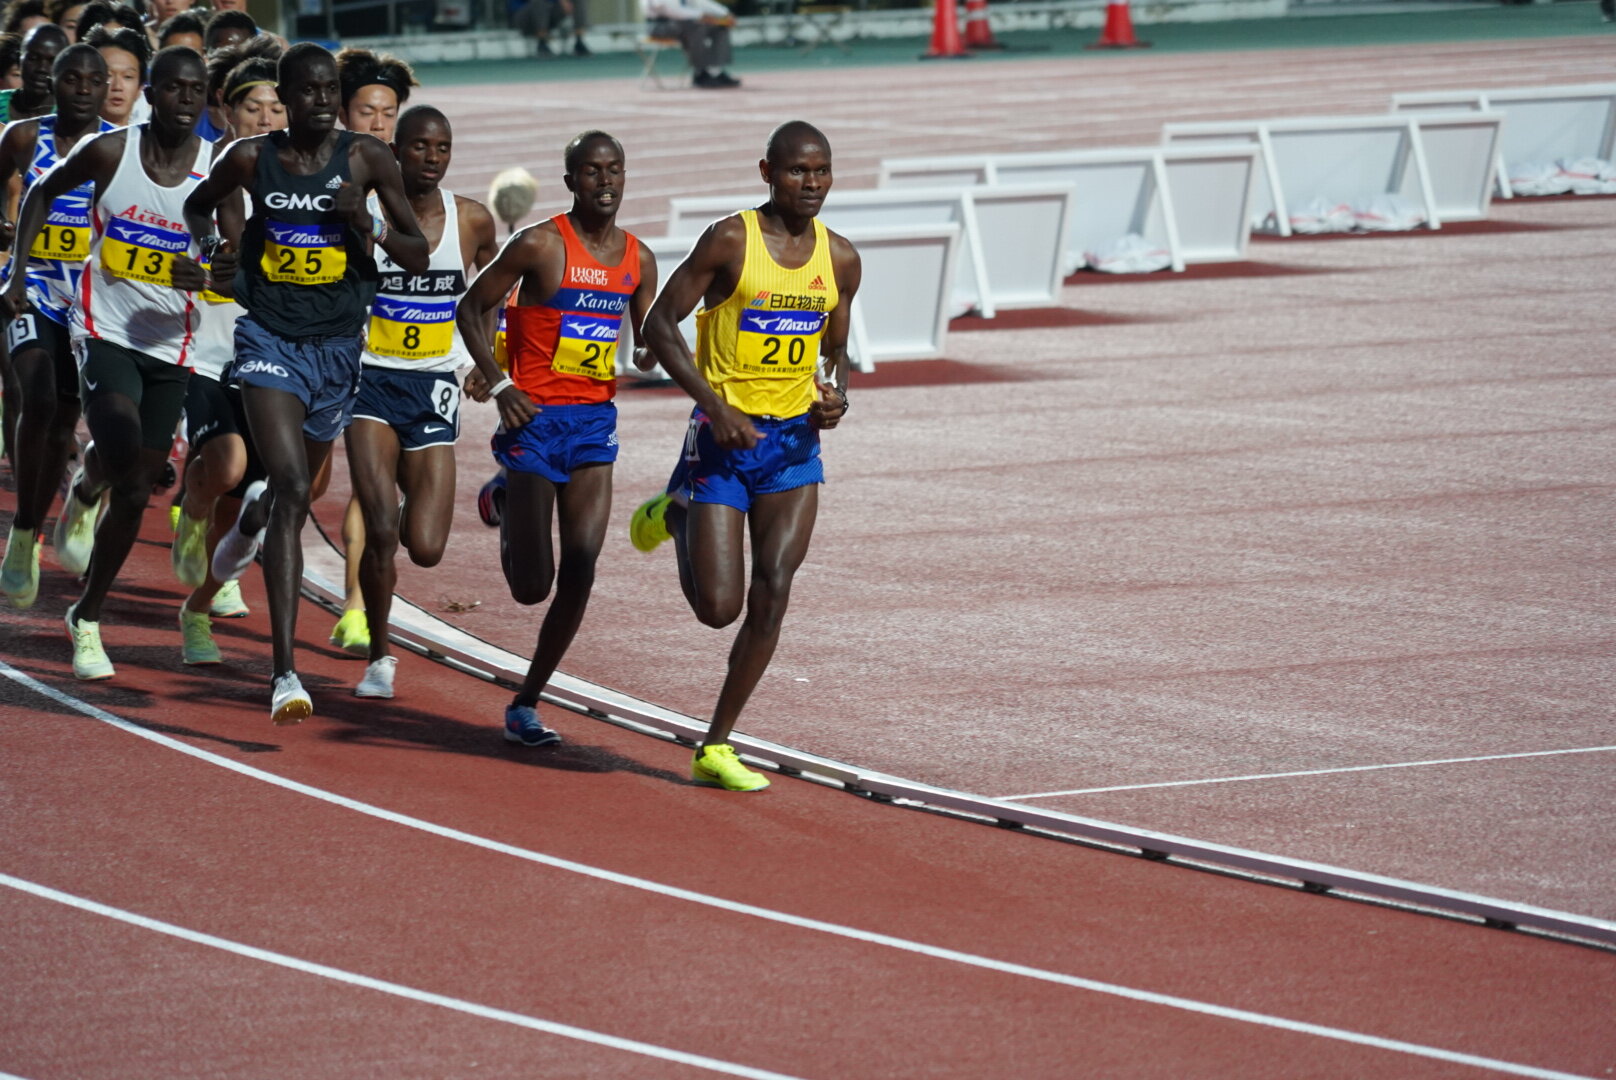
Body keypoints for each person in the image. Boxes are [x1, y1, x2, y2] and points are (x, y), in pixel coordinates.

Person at [182, 41, 428, 724]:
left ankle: (253, 516)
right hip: (268, 339)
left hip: (339, 351)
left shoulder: (367, 159)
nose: (321, 101)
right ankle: (284, 673)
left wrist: (366, 222)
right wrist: (212, 251)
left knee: (301, 488)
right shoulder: (249, 158)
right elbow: (199, 207)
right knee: (294, 487)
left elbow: (417, 251)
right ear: (285, 100)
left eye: (329, 91)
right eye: (309, 92)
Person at [631, 120, 857, 791]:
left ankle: (717, 744)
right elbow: (657, 323)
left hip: (792, 449)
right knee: (718, 608)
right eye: (796, 171)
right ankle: (677, 517)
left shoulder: (840, 259)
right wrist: (715, 404)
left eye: (820, 171)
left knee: (775, 590)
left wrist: (836, 398)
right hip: (724, 442)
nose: (810, 183)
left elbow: (835, 354)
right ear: (767, 171)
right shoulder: (732, 240)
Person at [3, 45, 216, 678]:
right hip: (95, 322)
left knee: (133, 490)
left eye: (195, 90)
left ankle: (87, 616)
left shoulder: (216, 168)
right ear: (153, 91)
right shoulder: (107, 150)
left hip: (173, 344)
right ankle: (26, 529)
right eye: (172, 88)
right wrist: (14, 268)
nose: (184, 99)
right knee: (66, 413)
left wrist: (207, 269)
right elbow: (40, 192)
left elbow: (228, 252)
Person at [457, 130, 655, 747]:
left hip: (593, 425)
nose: (604, 181)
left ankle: (527, 700)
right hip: (533, 422)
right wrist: (499, 381)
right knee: (530, 587)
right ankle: (508, 496)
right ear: (570, 181)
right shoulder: (539, 244)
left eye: (614, 170)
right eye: (591, 171)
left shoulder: (638, 259)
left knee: (583, 567)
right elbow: (471, 308)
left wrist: (652, 350)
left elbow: (646, 338)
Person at [343, 105, 495, 698]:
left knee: (426, 547)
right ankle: (380, 657)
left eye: (442, 148)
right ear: (396, 151)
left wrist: (488, 362)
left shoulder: (472, 221)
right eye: (419, 148)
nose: (431, 159)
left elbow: (493, 294)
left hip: (434, 387)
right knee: (381, 529)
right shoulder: (368, 215)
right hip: (371, 381)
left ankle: (396, 508)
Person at [170, 46, 283, 660]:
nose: (265, 116)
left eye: (275, 105)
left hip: (274, 355)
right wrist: (201, 262)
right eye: (252, 106)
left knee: (256, 493)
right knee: (230, 468)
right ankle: (191, 506)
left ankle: (201, 608)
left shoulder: (301, 185)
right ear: (227, 110)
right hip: (207, 349)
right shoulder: (199, 180)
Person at [0, 41, 111, 610]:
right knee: (35, 398)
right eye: (74, 78)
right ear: (55, 82)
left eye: (96, 80)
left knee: (69, 416)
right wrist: (9, 259)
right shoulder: (22, 136)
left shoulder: (118, 147)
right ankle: (22, 535)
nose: (85, 89)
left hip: (89, 300)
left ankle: (44, 515)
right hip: (32, 287)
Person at [323, 43, 416, 657]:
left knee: (379, 488)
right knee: (307, 482)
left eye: (388, 112)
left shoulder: (412, 182)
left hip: (402, 355)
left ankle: (355, 605)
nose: (379, 124)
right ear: (341, 111)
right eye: (367, 111)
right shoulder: (322, 176)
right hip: (332, 342)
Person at [644, 0, 738, 89]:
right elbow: (673, 10)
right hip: (660, 26)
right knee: (694, 27)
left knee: (721, 28)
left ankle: (715, 71)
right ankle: (701, 72)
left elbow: (700, 2)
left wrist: (725, 13)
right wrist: (701, 16)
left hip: (685, 22)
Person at [83, 22, 145, 126]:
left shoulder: (146, 140)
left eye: (128, 76)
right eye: (108, 75)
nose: (117, 87)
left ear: (140, 88)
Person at [515, 0, 589, 58]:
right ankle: (542, 42)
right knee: (539, 3)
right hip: (522, 16)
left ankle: (579, 41)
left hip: (549, 14)